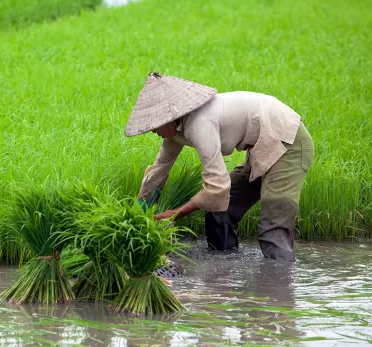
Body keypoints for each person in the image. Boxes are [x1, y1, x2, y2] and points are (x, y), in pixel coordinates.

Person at [125, 72, 315, 262]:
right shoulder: (174, 131)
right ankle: (224, 272)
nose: (153, 131)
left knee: (272, 228)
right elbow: (159, 171)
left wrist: (174, 214)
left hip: (288, 142)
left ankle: (279, 283)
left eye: (155, 125)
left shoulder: (200, 124)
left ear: (170, 117)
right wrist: (139, 211)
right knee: (220, 212)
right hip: (263, 147)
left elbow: (217, 187)